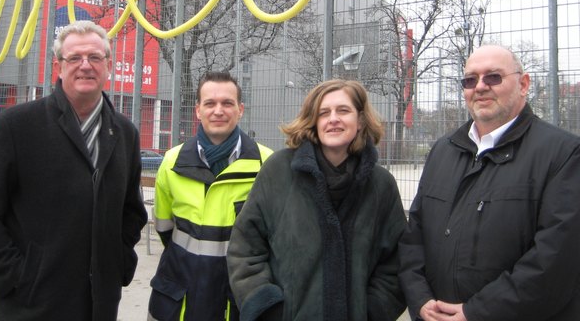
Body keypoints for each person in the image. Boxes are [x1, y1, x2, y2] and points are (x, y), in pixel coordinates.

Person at [0, 20, 148, 321]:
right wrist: (17, 275)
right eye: (74, 58)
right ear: (58, 66)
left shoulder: (124, 133)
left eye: (95, 57)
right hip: (31, 303)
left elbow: (131, 211)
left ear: (109, 66)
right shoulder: (15, 126)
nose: (85, 66)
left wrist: (117, 264)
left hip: (99, 303)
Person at [398, 44, 580, 321]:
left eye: (493, 77)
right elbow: (414, 238)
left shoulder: (564, 154)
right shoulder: (442, 151)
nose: (480, 87)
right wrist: (421, 300)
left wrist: (477, 313)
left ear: (523, 83)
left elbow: (555, 260)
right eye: (470, 80)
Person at [227, 79, 407, 321]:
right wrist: (269, 309)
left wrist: (371, 311)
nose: (333, 119)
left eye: (343, 110)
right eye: (324, 113)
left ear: (361, 120)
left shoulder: (381, 185)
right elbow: (245, 249)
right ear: (314, 120)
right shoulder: (278, 171)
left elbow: (395, 264)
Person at [148, 72, 273, 321]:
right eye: (210, 103)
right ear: (197, 110)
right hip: (178, 298)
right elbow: (164, 228)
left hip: (236, 298)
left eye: (227, 103)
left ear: (240, 110)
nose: (218, 111)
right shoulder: (171, 163)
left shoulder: (266, 165)